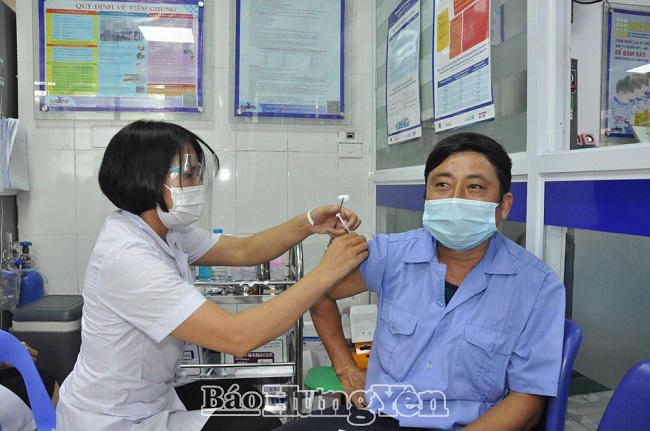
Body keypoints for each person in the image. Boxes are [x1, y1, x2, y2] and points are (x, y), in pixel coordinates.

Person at [55, 120, 369, 431]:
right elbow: (236, 338)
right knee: (259, 424)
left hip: (151, 401)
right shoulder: (127, 257)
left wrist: (309, 223)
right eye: (188, 174)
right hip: (114, 419)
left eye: (196, 174)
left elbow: (244, 251)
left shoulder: (165, 231)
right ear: (145, 177)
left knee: (247, 396)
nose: (196, 184)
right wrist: (325, 273)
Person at [276, 133, 566, 430]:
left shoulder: (537, 287)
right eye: (442, 185)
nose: (455, 198)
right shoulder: (391, 254)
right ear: (426, 198)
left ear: (503, 205)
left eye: (475, 186)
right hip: (380, 417)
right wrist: (345, 367)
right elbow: (318, 292)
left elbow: (528, 398)